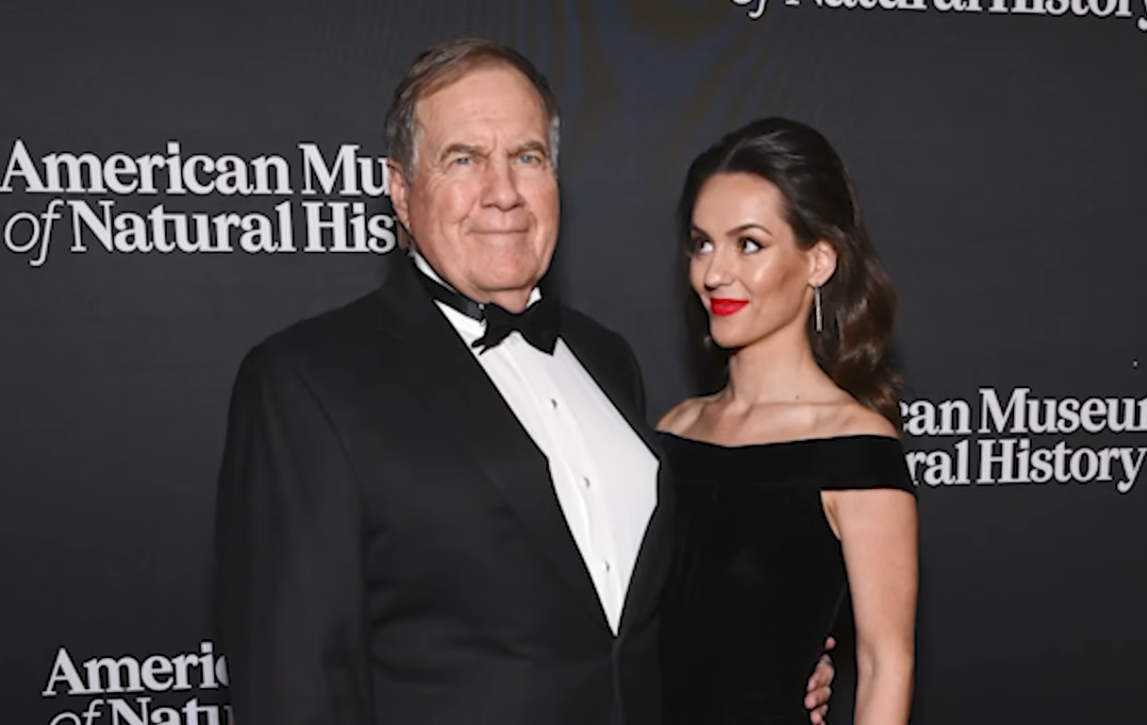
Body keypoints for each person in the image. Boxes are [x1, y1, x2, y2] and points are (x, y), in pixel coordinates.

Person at [215, 40, 835, 725]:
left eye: (527, 157)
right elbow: (295, 682)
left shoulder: (608, 360)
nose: (503, 191)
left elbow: (630, 620)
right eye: (464, 159)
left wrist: (763, 655)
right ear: (400, 188)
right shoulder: (307, 381)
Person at [657, 117, 919, 724]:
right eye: (701, 243)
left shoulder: (857, 451)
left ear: (819, 261)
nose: (714, 272)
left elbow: (885, 668)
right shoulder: (674, 433)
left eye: (748, 243)